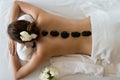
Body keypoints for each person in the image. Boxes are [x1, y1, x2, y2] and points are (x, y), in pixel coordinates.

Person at [8, 1, 92, 80]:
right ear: (27, 22)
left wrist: (12, 47)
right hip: (96, 23)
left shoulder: (41, 52)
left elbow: (17, 75)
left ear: (24, 42)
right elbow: (16, 4)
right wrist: (11, 34)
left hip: (96, 46)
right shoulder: (40, 16)